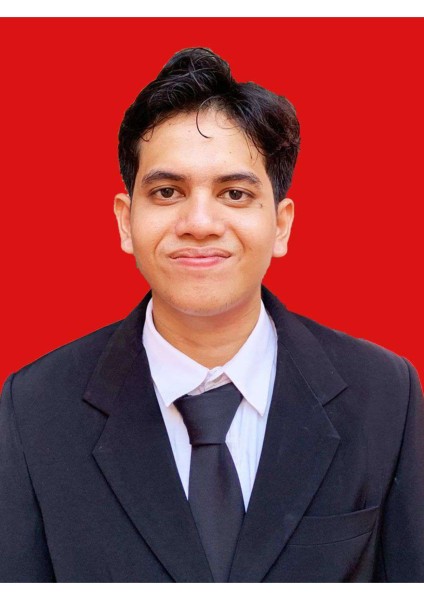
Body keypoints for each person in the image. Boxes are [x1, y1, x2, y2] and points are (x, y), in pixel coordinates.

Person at [0, 47, 423, 583]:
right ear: (127, 221)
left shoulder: (383, 394)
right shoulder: (35, 408)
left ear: (282, 224)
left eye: (235, 193)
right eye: (167, 192)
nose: (199, 222)